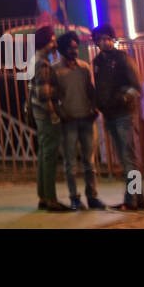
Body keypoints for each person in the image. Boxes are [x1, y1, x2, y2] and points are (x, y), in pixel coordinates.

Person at [91, 24, 144, 211]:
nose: (104, 41)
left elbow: (137, 87)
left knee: (128, 157)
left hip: (124, 114)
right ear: (96, 41)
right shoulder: (98, 62)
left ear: (113, 39)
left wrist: (122, 99)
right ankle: (139, 200)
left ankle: (131, 201)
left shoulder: (123, 59)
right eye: (101, 38)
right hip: (109, 114)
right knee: (126, 158)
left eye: (108, 38)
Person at [54, 31, 104, 209]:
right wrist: (61, 114)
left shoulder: (84, 67)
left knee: (89, 162)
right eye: (71, 48)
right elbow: (53, 98)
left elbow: (91, 91)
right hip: (68, 122)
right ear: (62, 50)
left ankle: (92, 197)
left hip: (86, 119)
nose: (74, 51)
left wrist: (95, 109)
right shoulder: (56, 71)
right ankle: (74, 198)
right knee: (70, 163)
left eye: (76, 47)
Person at [30, 25, 69, 212]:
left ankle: (44, 197)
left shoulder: (35, 60)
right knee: (50, 157)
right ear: (45, 42)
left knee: (44, 156)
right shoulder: (43, 64)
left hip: (38, 115)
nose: (55, 43)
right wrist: (54, 116)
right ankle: (51, 199)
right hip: (46, 116)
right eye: (52, 40)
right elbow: (43, 94)